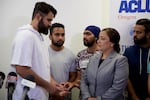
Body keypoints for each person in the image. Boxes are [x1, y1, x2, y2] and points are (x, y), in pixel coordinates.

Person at [11, 2, 66, 100]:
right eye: (48, 20)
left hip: (39, 95)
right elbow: (22, 69)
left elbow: (42, 69)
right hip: (28, 96)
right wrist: (48, 86)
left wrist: (53, 84)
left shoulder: (38, 37)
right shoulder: (26, 35)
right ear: (38, 16)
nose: (50, 24)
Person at [80, 28, 129, 100]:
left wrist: (99, 99)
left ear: (112, 43)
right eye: (99, 38)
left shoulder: (120, 60)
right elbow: (84, 80)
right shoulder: (93, 58)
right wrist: (87, 97)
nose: (98, 41)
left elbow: (118, 87)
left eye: (102, 39)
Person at [48, 23, 76, 100]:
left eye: (62, 35)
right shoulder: (43, 53)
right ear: (50, 37)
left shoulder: (70, 54)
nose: (60, 37)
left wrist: (65, 87)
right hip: (47, 94)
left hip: (64, 95)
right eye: (57, 34)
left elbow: (73, 75)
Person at [123, 18, 150, 100]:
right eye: (134, 31)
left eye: (139, 32)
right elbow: (126, 76)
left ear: (148, 34)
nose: (134, 35)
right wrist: (134, 96)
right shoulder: (129, 52)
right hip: (132, 97)